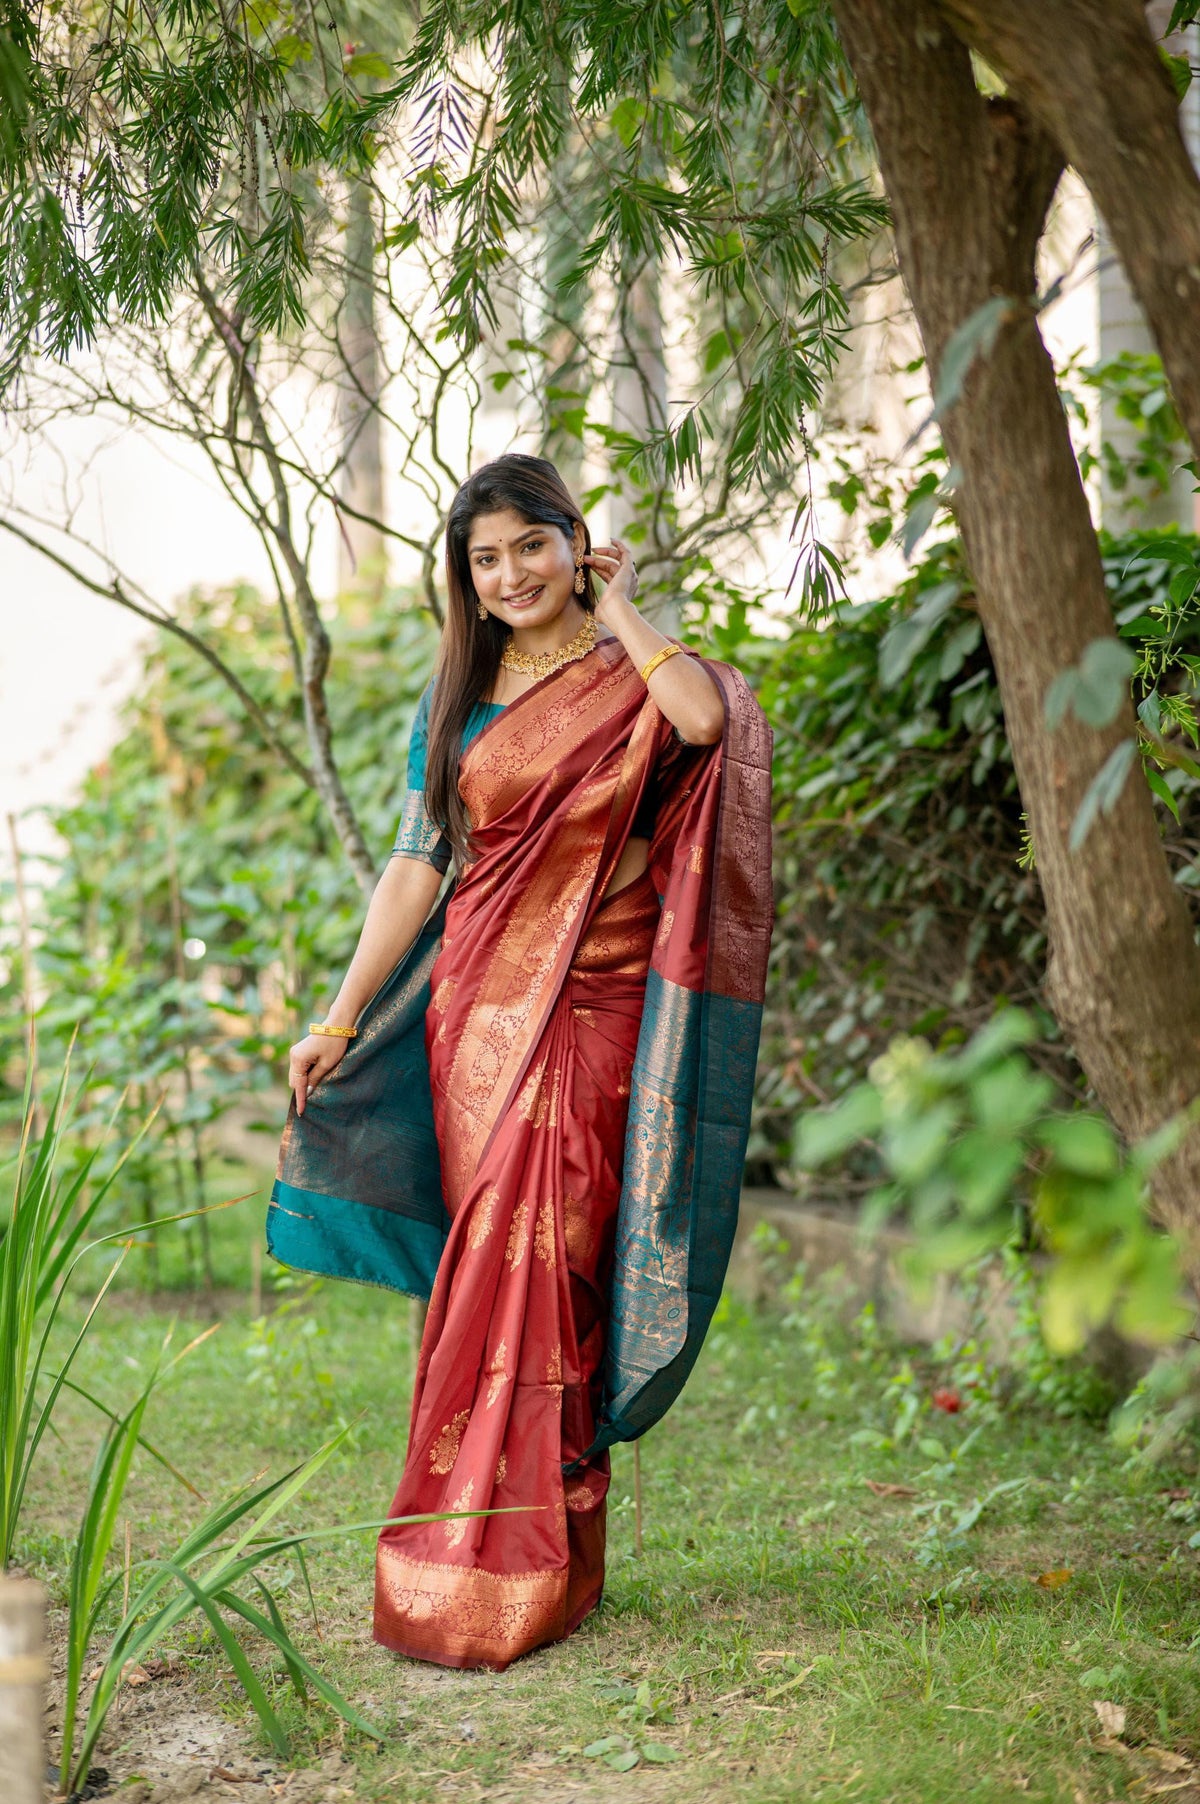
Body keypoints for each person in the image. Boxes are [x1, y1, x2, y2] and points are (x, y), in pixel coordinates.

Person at [269, 453, 773, 1671]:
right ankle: (465, 1550)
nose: (509, 576)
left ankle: (553, 1548)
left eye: (530, 547)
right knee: (492, 1261)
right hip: (480, 1017)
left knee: (568, 1258)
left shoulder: (633, 674)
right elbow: (415, 867)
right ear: (465, 576)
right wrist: (337, 1016)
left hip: (601, 1008)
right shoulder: (457, 700)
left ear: (573, 540)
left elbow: (705, 723)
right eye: (485, 560)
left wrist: (619, 605)